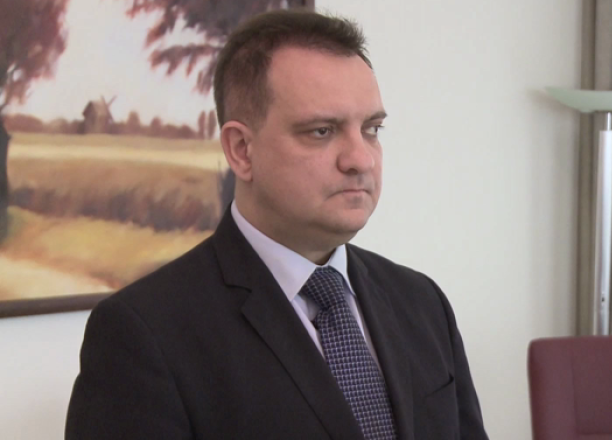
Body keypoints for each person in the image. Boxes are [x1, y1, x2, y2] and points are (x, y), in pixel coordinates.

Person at [65, 9, 489, 440]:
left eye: (372, 129)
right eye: (322, 131)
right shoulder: (144, 334)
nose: (361, 159)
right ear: (241, 150)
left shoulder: (422, 302)